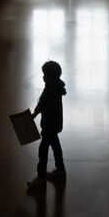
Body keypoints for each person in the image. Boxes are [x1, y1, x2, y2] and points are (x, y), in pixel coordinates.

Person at [27, 60, 67, 190]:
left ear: (51, 77)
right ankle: (60, 170)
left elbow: (42, 104)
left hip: (49, 125)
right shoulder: (56, 87)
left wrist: (34, 114)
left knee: (43, 151)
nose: (43, 77)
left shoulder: (50, 90)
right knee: (55, 146)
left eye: (45, 75)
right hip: (54, 124)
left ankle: (41, 177)